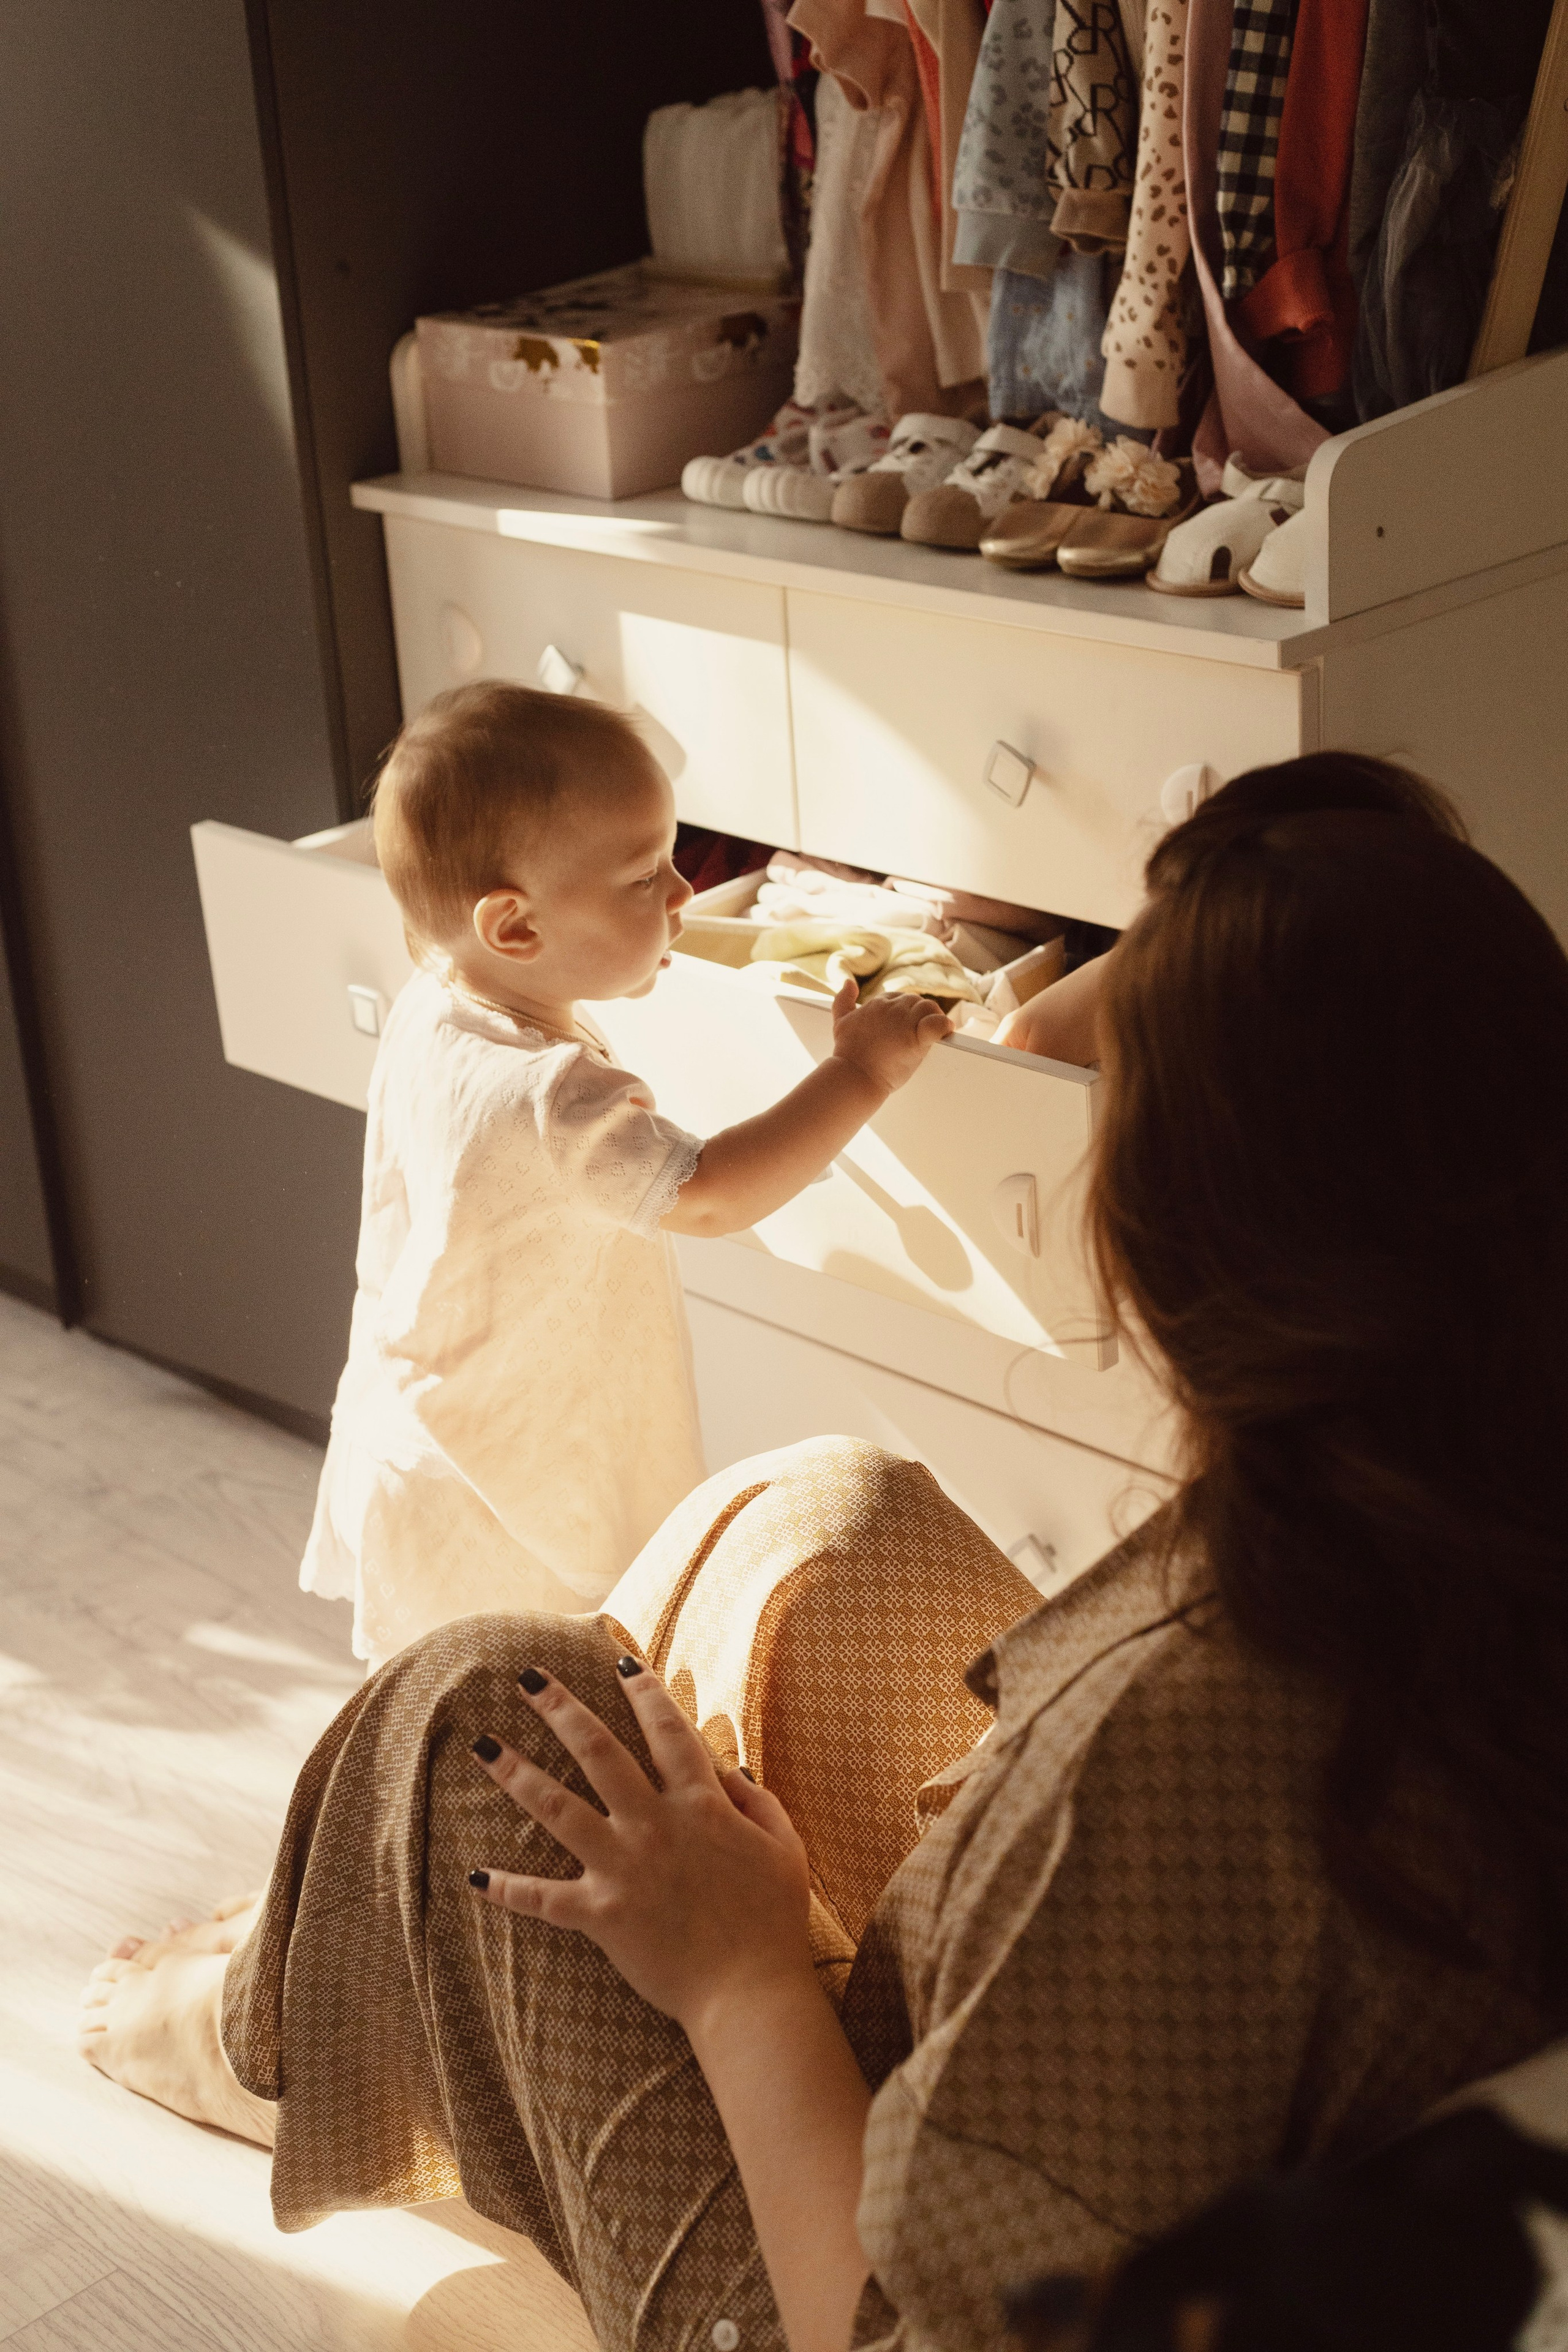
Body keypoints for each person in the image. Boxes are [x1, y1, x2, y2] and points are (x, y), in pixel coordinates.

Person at [82, 752, 1568, 2352]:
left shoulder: (1192, 1737)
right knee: (821, 1523)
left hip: (856, 2304)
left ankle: (281, 2035)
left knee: (481, 1713)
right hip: (1167, 2087)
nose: (1063, 1051)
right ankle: (309, 1987)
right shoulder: (1461, 1483)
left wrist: (740, 1977)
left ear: (1191, 1225)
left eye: (1129, 1076)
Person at [299, 680, 950, 1665]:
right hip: (516, 1505)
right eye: (647, 877)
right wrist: (859, 1073)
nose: (684, 894)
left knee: (458, 1713)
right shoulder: (558, 1099)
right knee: (556, 1713)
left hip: (421, 1441)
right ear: (516, 929)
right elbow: (717, 1194)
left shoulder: (435, 1000)